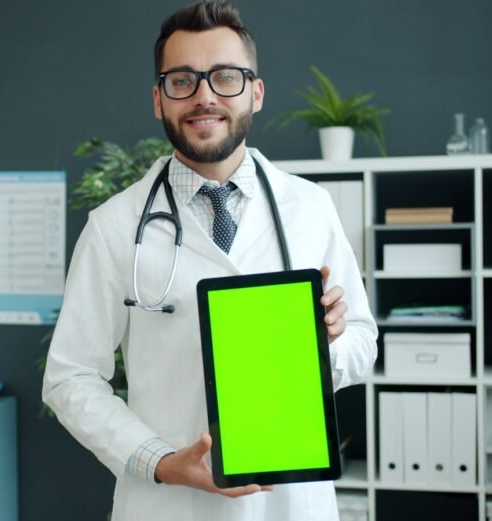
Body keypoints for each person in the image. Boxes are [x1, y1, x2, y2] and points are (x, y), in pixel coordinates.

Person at [42, 2, 377, 520]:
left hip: (290, 505)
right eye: (182, 80)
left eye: (225, 77)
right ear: (158, 99)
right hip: (169, 503)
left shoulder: (309, 207)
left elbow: (362, 341)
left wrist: (320, 348)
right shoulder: (114, 226)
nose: (204, 96)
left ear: (256, 93)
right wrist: (161, 461)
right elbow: (70, 378)